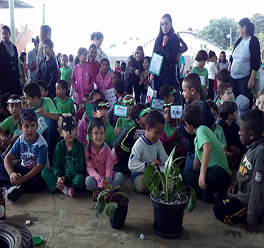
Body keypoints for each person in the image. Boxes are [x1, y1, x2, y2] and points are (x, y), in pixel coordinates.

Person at [213, 109, 264, 233]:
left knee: (219, 209)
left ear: (251, 135)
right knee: (217, 195)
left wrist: (252, 219)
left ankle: (258, 216)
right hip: (241, 192)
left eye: (241, 130)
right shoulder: (251, 146)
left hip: (249, 199)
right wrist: (235, 183)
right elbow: (245, 171)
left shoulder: (260, 151)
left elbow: (258, 188)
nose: (238, 133)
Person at [182, 104, 231, 203]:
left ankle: (214, 194)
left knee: (210, 174)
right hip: (211, 171)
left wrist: (202, 174)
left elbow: (207, 148)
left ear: (187, 124)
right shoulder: (196, 138)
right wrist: (195, 175)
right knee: (187, 177)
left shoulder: (201, 130)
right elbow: (196, 161)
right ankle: (211, 196)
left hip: (221, 173)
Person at [0, 108, 48, 202]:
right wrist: (12, 174)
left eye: (33, 125)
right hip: (23, 169)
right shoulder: (20, 139)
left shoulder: (41, 143)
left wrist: (24, 179)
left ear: (37, 126)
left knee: (36, 183)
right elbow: (8, 158)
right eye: (26, 126)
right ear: (20, 128)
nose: (30, 129)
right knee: (1, 168)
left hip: (37, 173)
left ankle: (15, 186)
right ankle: (12, 187)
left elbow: (39, 166)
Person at [41, 114, 85, 197]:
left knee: (80, 180)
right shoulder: (59, 146)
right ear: (61, 133)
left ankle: (60, 187)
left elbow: (79, 168)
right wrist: (59, 177)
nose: (69, 133)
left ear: (76, 130)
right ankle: (64, 188)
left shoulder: (79, 147)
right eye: (66, 130)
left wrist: (65, 178)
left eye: (72, 129)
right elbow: (56, 166)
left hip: (72, 177)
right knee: (44, 172)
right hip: (61, 177)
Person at [178, 73, 215, 171]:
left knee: (189, 177)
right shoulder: (205, 105)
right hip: (204, 150)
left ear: (192, 91)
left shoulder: (190, 110)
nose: (182, 93)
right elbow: (212, 123)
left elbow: (184, 131)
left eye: (184, 90)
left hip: (194, 152)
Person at [128, 110, 168, 194]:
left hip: (155, 173)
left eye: (160, 133)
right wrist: (149, 165)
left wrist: (167, 168)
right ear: (148, 128)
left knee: (174, 170)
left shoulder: (158, 142)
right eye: (156, 133)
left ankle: (161, 186)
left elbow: (165, 160)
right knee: (146, 181)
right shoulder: (139, 144)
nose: (158, 136)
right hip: (140, 176)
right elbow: (131, 165)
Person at [23, 83, 59, 164]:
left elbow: (57, 117)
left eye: (27, 98)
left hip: (50, 134)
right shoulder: (30, 108)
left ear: (35, 98)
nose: (26, 101)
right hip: (37, 134)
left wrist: (46, 114)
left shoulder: (47, 101)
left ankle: (49, 152)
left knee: (50, 123)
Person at [85, 117, 124, 191]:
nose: (99, 136)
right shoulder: (87, 150)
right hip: (96, 179)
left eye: (102, 133)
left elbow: (109, 166)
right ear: (90, 135)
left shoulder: (107, 149)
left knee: (120, 176)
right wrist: (99, 179)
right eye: (96, 133)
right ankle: (107, 190)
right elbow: (90, 169)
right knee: (88, 181)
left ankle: (104, 190)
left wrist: (107, 179)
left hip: (107, 177)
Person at [230, 18, 261, 107]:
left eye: (239, 27)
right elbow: (232, 58)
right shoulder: (239, 41)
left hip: (244, 78)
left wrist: (251, 79)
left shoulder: (253, 41)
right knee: (233, 102)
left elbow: (256, 61)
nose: (238, 30)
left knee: (244, 103)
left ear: (244, 28)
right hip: (233, 78)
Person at [153, 14, 187, 92]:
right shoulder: (158, 39)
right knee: (157, 99)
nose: (164, 26)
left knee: (168, 99)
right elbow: (154, 55)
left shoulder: (175, 39)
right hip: (157, 75)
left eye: (166, 24)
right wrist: (152, 72)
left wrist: (165, 46)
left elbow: (171, 59)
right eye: (162, 24)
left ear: (170, 24)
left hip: (169, 75)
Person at [114, 104, 148, 173]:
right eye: (144, 115)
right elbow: (123, 145)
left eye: (147, 114)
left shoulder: (149, 129)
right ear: (137, 120)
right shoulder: (133, 130)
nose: (147, 117)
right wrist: (133, 150)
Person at [0, 25, 22, 95]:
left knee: (17, 95)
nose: (4, 36)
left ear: (9, 34)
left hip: (14, 76)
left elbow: (16, 63)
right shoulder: (0, 47)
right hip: (4, 77)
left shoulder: (14, 47)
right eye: (3, 34)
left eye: (6, 34)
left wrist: (18, 75)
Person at [0, 95, 22, 160]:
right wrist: (2, 136)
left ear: (20, 107)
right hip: (10, 144)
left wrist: (9, 141)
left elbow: (20, 134)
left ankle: (5, 155)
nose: (14, 109)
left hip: (20, 144)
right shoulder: (9, 120)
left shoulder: (23, 118)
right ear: (8, 108)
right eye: (12, 106)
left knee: (16, 136)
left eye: (17, 106)